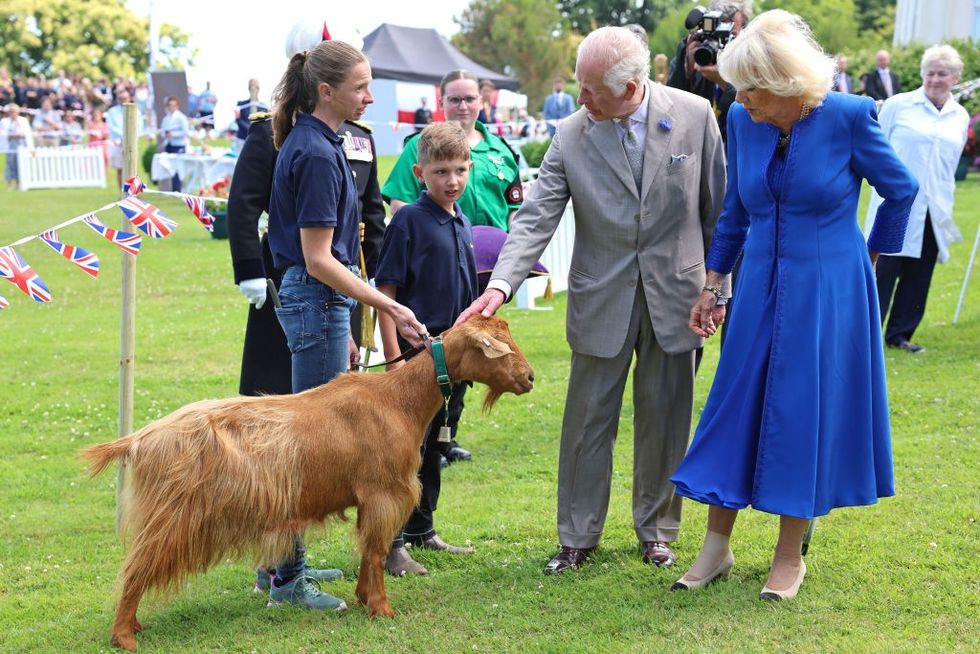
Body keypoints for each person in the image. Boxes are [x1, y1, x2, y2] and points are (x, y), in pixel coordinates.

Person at [457, 25, 727, 574]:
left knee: (666, 417)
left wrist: (717, 287)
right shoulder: (572, 133)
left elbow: (717, 209)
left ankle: (657, 531)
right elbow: (536, 216)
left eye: (590, 90)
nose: (580, 99)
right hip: (601, 299)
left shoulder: (697, 116)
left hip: (678, 297)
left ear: (632, 88)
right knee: (586, 423)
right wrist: (499, 284)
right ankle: (577, 536)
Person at [670, 10, 918, 601]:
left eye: (751, 88)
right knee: (734, 407)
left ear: (786, 83)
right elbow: (735, 210)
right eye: (737, 87)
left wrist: (871, 260)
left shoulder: (851, 117)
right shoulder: (741, 118)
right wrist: (713, 284)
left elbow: (901, 190)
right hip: (757, 285)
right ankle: (716, 547)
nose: (741, 98)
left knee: (802, 413)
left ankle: (789, 556)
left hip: (828, 289)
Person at [265, 39, 427, 611]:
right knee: (310, 449)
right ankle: (286, 578)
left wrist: (359, 316)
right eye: (361, 86)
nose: (370, 95)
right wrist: (385, 305)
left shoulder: (326, 143)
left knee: (313, 441)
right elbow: (318, 259)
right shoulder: (312, 152)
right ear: (327, 91)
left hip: (326, 302)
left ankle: (280, 564)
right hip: (316, 296)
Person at [383, 69, 524, 466]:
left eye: (469, 98)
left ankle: (447, 439)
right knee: (423, 391)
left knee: (463, 372)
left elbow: (515, 210)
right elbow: (398, 203)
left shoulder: (499, 150)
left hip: (481, 273)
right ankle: (427, 449)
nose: (463, 106)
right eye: (455, 99)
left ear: (483, 101)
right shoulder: (420, 148)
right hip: (428, 276)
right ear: (442, 101)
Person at [374, 122, 479, 576]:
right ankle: (392, 545)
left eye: (459, 170)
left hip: (453, 360)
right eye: (440, 171)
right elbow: (386, 293)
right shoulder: (409, 221)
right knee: (405, 453)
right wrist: (395, 357)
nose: (451, 180)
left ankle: (422, 529)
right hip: (416, 358)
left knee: (437, 444)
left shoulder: (463, 220)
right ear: (419, 172)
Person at [865, 44, 969, 354]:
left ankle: (900, 334)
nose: (935, 79)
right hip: (895, 203)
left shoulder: (959, 115)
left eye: (942, 73)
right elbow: (874, 147)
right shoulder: (899, 105)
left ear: (955, 78)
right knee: (883, 270)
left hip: (935, 206)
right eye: (930, 73)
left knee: (919, 274)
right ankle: (870, 330)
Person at [667, 0, 753, 144]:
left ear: (743, 33)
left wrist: (725, 82)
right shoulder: (691, 56)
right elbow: (669, 113)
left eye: (728, 34)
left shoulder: (753, 63)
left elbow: (753, 118)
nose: (721, 44)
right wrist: (687, 72)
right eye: (715, 34)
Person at [105, 89, 140, 189]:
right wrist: (124, 136)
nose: (123, 100)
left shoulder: (136, 111)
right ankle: (122, 192)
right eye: (121, 98)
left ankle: (134, 192)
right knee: (120, 169)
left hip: (132, 143)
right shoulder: (112, 111)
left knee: (133, 168)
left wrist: (130, 137)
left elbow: (139, 126)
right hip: (118, 143)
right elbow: (112, 127)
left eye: (125, 98)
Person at [158, 96, 190, 192]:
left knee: (178, 168)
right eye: (170, 105)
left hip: (179, 145)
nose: (171, 107)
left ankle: (178, 189)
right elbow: (162, 131)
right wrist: (166, 134)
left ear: (177, 106)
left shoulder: (181, 117)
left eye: (173, 105)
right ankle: (172, 189)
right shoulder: (166, 118)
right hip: (169, 145)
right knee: (170, 167)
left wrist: (174, 134)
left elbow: (185, 132)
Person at [1, 103, 34, 189]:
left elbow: (28, 133)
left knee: (21, 164)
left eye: (14, 111)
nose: (13, 113)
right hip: (10, 145)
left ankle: (19, 183)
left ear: (18, 112)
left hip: (21, 144)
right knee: (10, 164)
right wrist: (10, 135)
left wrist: (21, 135)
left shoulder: (23, 120)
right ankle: (9, 184)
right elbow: (2, 133)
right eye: (11, 112)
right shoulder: (4, 121)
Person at [234, 79, 269, 146]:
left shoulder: (264, 107)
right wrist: (251, 129)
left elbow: (266, 124)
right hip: (242, 140)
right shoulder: (240, 105)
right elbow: (238, 120)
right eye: (252, 87)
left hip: (258, 141)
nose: (254, 89)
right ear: (249, 88)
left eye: (257, 87)